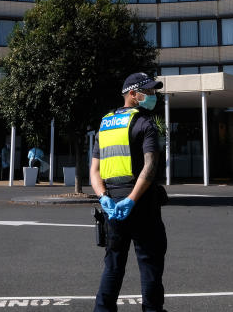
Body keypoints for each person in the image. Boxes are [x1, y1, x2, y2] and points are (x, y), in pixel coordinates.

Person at [90, 72, 167, 312]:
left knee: (113, 264)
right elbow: (150, 165)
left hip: (112, 205)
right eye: (149, 91)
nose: (153, 95)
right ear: (133, 94)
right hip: (141, 205)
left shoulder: (105, 124)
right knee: (149, 263)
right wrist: (133, 200)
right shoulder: (146, 122)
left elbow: (94, 170)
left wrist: (104, 197)